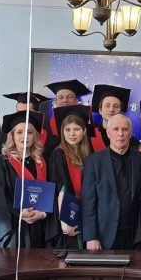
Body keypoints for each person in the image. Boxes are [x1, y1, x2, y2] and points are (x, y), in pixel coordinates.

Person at [82, 115, 141, 250]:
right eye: (116, 129)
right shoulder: (93, 161)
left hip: (134, 235)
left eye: (125, 129)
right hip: (104, 235)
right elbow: (88, 202)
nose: (120, 133)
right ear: (108, 133)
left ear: (131, 133)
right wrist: (91, 236)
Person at [0, 111, 51, 248]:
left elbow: (49, 193)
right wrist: (20, 213)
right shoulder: (0, 162)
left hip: (37, 226)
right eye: (19, 132)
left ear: (35, 136)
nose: (24, 136)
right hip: (12, 228)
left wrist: (42, 213)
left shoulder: (41, 162)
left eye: (29, 132)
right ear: (12, 136)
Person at [47, 105, 92, 250]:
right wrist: (64, 221)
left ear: (84, 131)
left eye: (76, 129)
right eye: (67, 130)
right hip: (67, 214)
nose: (72, 134)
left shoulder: (89, 155)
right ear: (62, 132)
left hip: (86, 212)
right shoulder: (58, 154)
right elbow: (60, 188)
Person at [89, 84, 135, 152]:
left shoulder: (132, 142)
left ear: (121, 112)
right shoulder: (90, 139)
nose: (111, 109)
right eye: (107, 106)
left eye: (116, 106)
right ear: (100, 110)